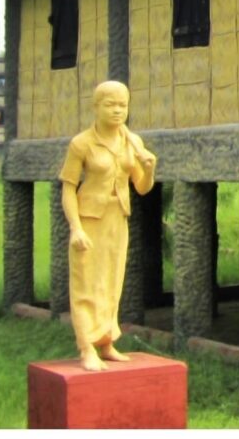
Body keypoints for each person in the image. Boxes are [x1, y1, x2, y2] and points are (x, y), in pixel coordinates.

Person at [59, 79, 159, 370]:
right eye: (110, 104)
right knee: (86, 283)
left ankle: (105, 340)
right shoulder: (82, 143)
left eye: (122, 105)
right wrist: (75, 227)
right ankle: (85, 345)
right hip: (89, 221)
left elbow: (141, 187)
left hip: (118, 219)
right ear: (96, 107)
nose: (117, 111)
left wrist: (150, 170)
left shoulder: (132, 141)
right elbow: (67, 188)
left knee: (111, 282)